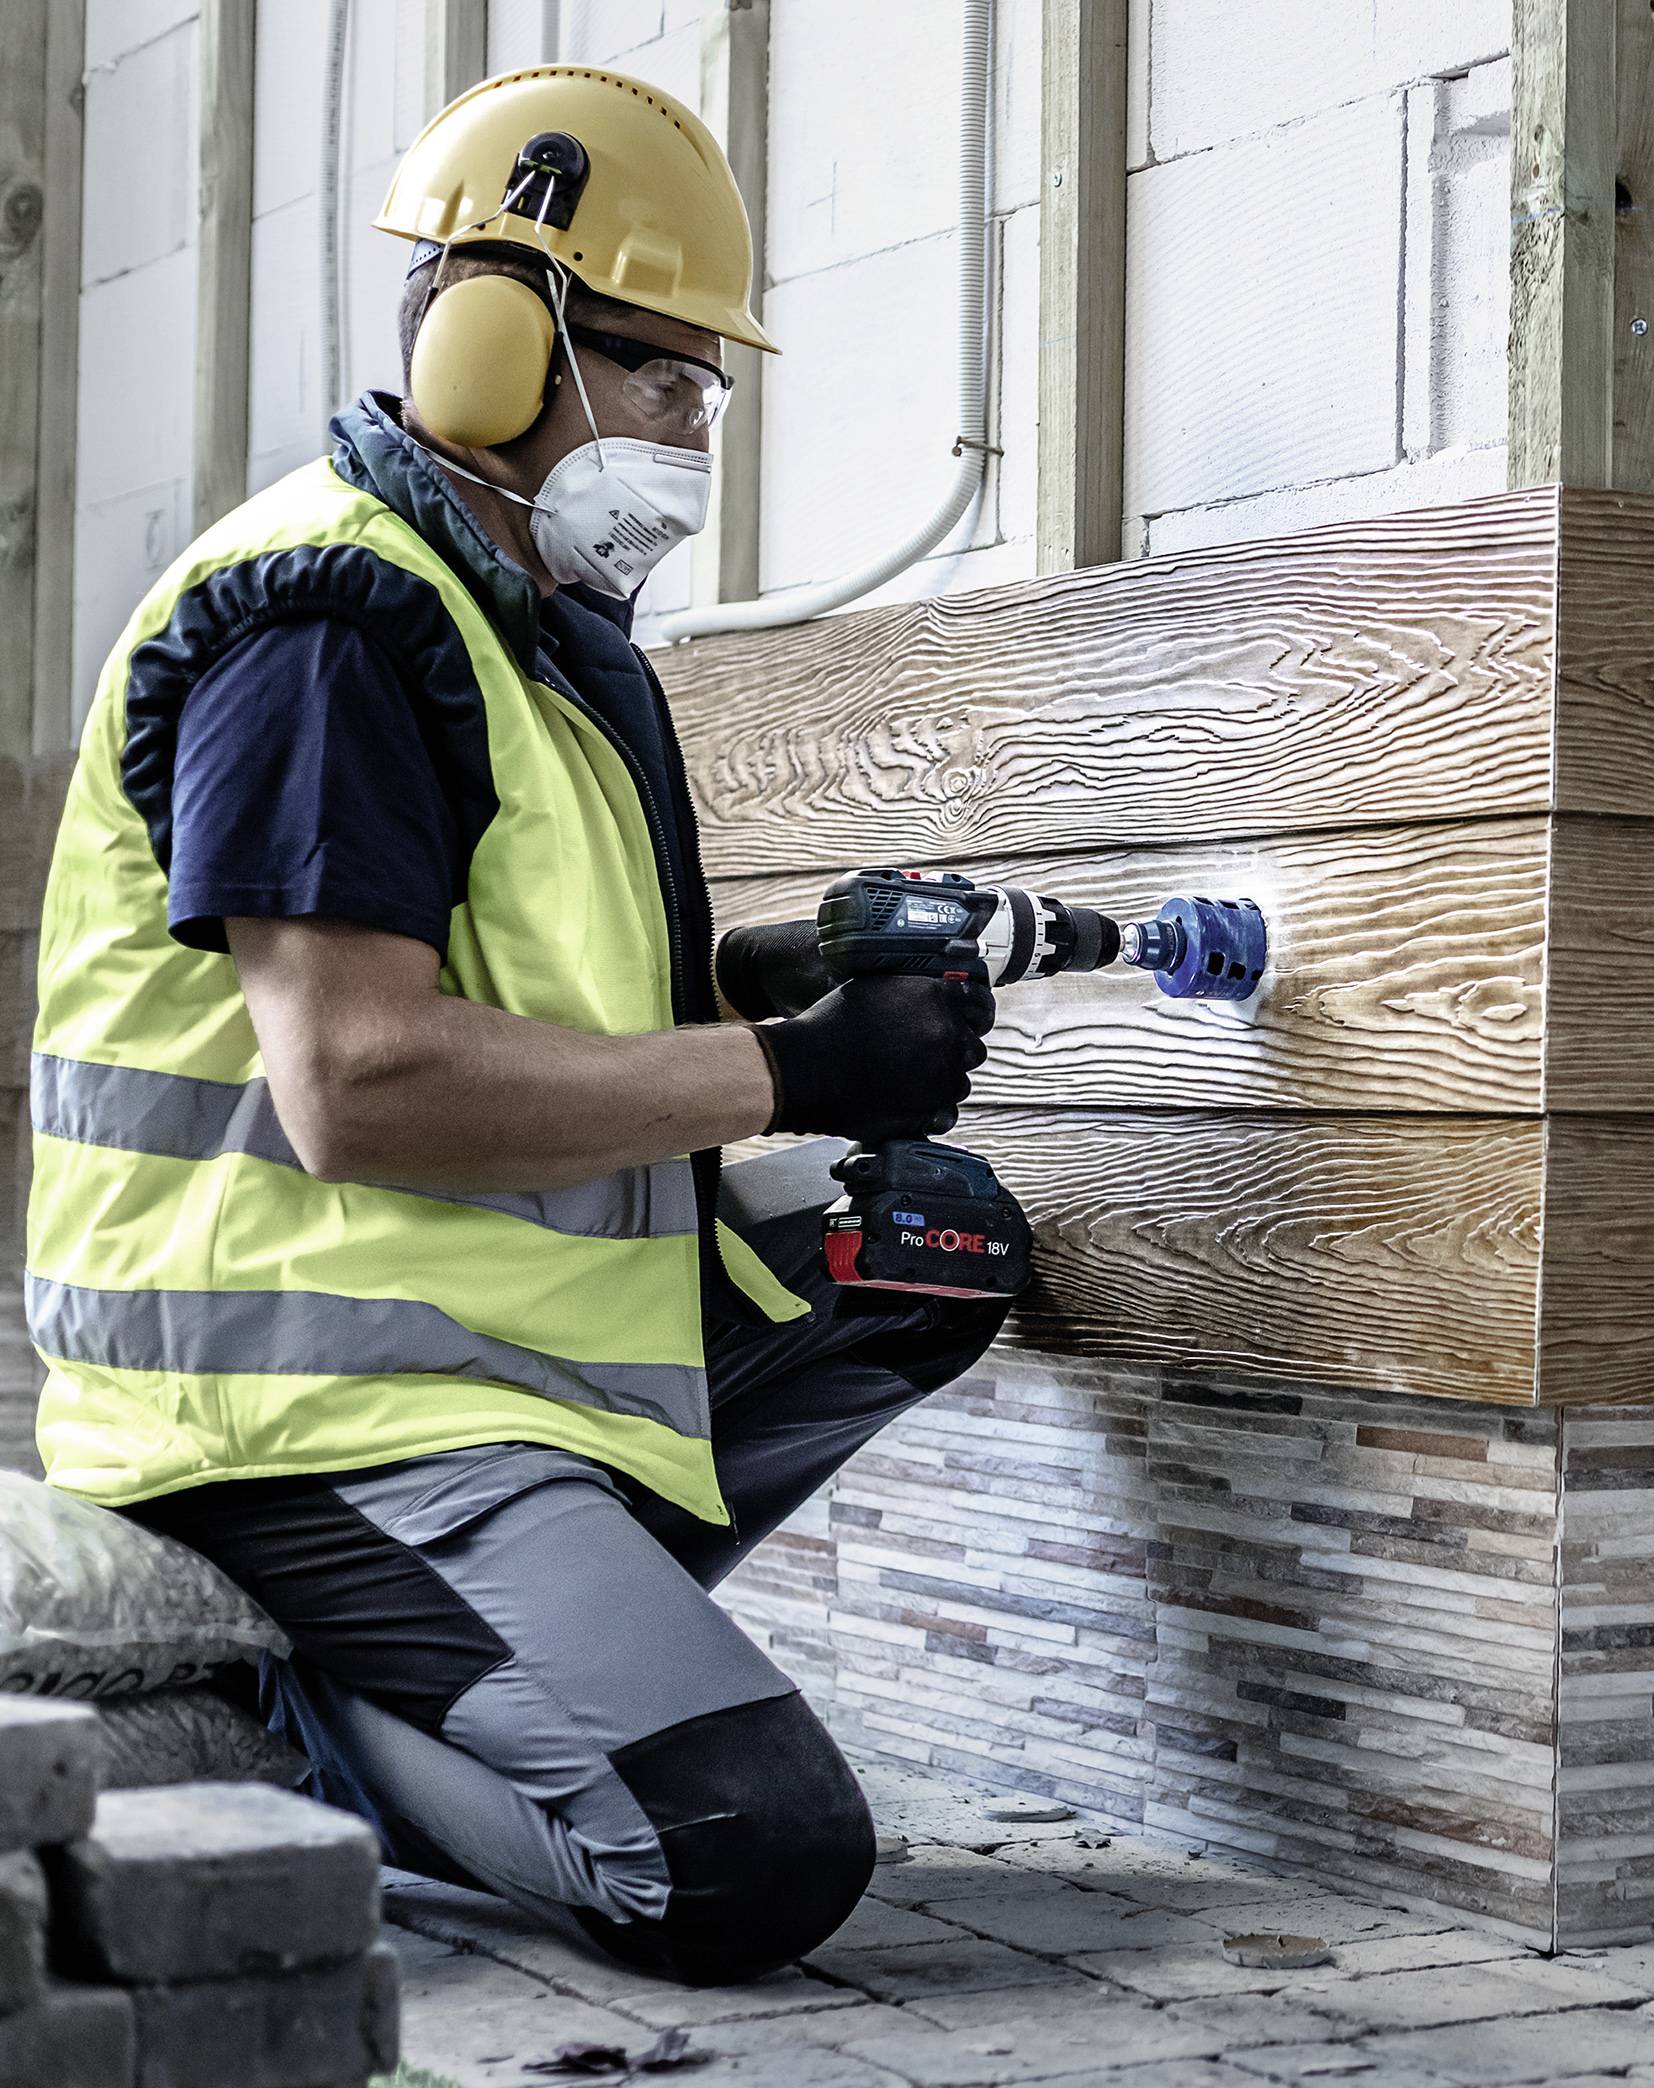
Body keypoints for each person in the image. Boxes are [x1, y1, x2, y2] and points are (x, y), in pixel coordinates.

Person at [20, 66, 993, 1985]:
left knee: (931, 1235)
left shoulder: (521, 622)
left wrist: (760, 982)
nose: (693, 429)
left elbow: (511, 980)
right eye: (656, 375)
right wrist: (802, 1072)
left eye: (706, 383)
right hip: (303, 1398)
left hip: (473, 1344)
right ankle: (300, 1732)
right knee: (744, 1857)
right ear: (491, 343)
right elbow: (362, 1080)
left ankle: (511, 1656)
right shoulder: (326, 625)